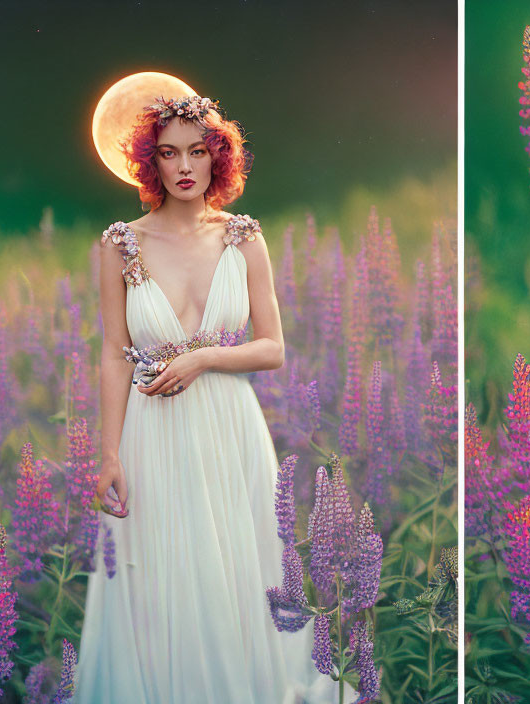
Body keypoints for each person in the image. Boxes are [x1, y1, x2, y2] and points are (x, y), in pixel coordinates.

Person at [72, 95, 354, 703]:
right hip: (153, 431)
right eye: (168, 153)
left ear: (216, 158)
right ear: (149, 164)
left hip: (231, 427)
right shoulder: (120, 244)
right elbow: (115, 353)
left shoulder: (244, 236)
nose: (184, 167)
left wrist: (202, 358)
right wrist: (109, 455)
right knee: (162, 576)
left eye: (197, 152)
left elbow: (273, 347)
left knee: (238, 570)